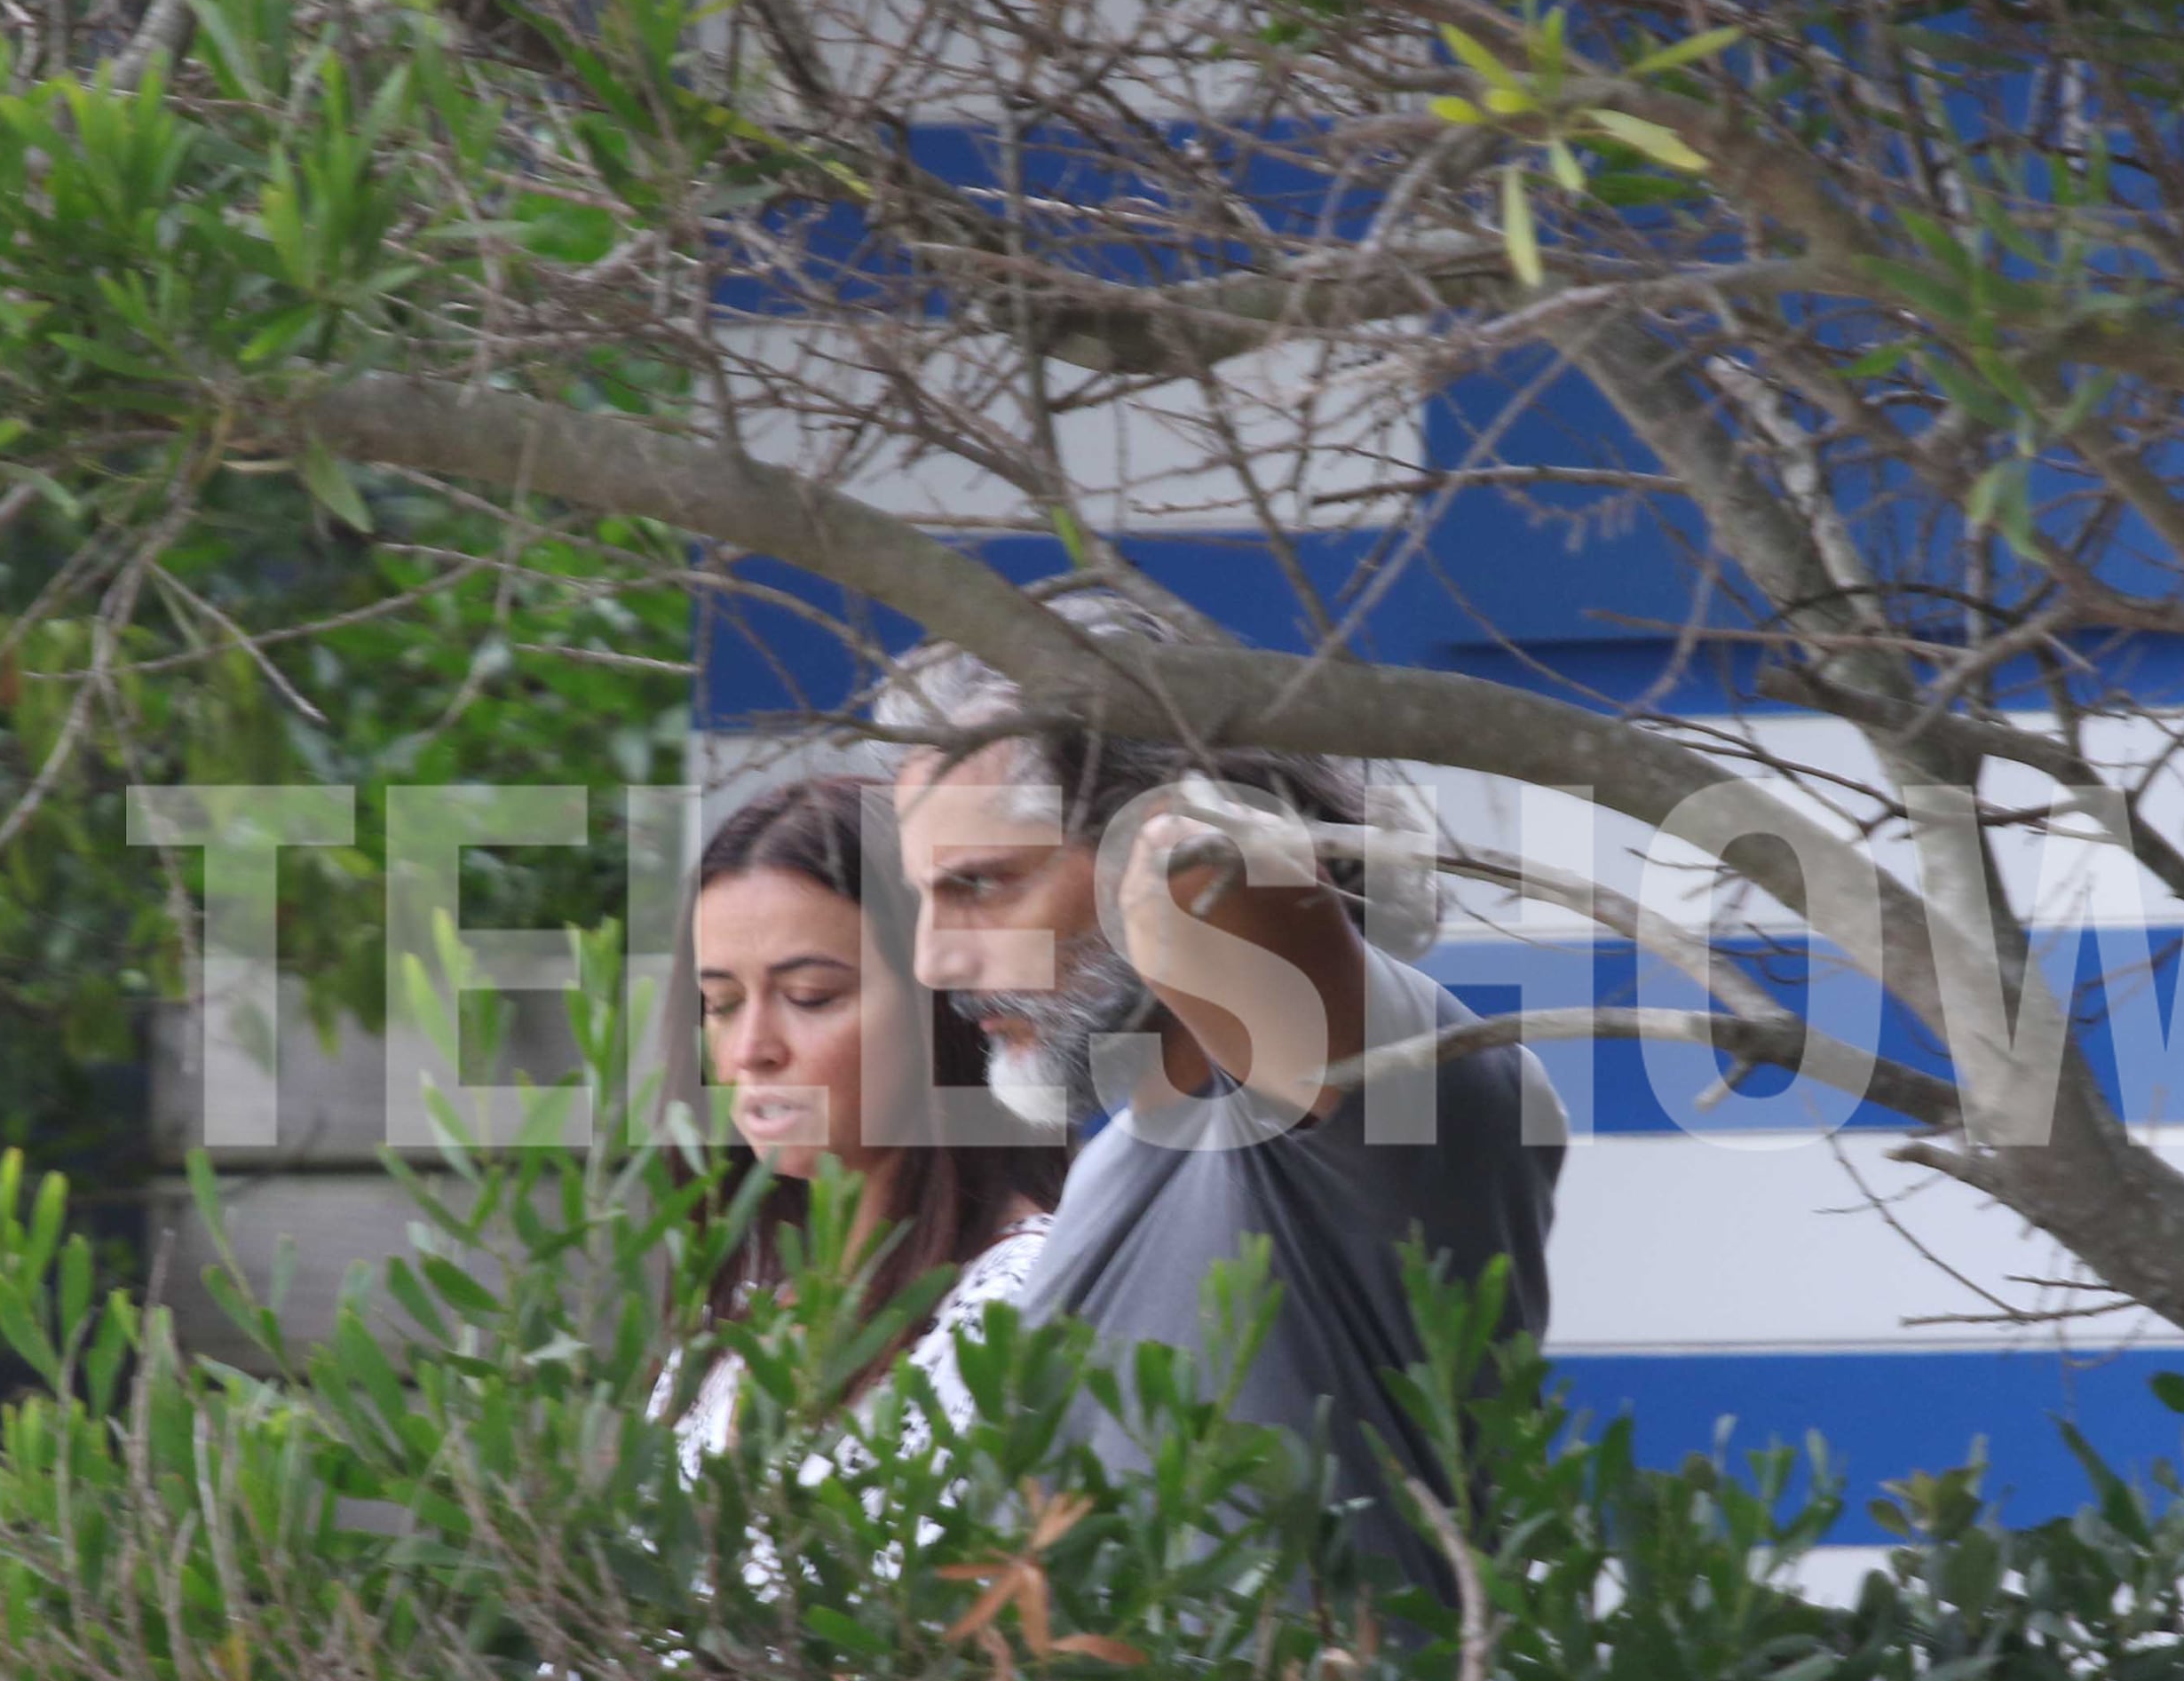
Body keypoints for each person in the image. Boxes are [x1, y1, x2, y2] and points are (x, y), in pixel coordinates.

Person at [873, 583, 1565, 1591]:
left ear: (1138, 847)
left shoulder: (1381, 1090)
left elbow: (1236, 878)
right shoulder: (1118, 1157)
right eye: (923, 897)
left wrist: (1186, 794)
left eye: (980, 884)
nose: (935, 961)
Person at [666, 774, 1063, 1460]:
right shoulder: (727, 1332)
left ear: (938, 1007)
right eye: (723, 1003)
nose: (752, 1050)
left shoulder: (1024, 1301)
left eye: (810, 996)